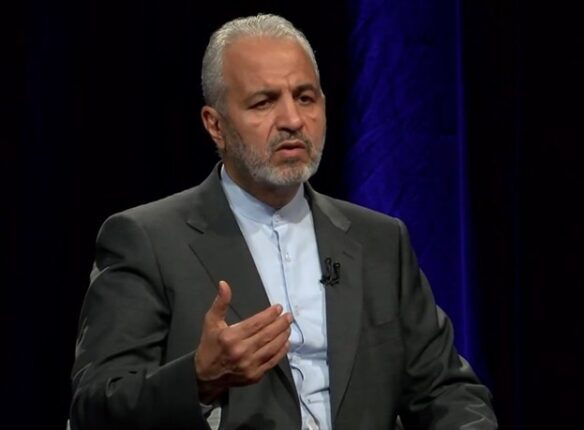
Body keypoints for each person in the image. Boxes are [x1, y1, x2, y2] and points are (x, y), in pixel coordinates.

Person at [69, 13, 497, 430]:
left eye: (305, 97)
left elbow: (446, 392)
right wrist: (199, 378)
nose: (292, 120)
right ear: (215, 125)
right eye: (264, 102)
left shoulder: (381, 241)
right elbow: (95, 406)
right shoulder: (147, 240)